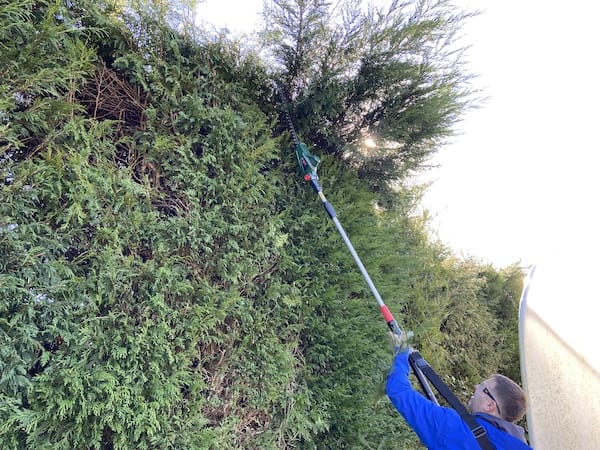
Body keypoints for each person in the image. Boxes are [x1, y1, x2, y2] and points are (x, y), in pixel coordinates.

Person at [386, 348, 533, 449]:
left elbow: (398, 390)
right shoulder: (518, 445)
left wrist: (402, 351)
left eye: (483, 386)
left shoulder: (454, 427)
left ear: (490, 405)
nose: (476, 386)